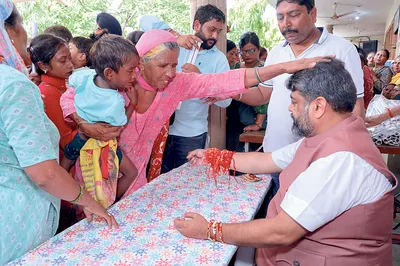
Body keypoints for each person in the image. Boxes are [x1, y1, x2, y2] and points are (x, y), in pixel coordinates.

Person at [175, 59, 396, 266]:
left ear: (318, 106)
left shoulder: (341, 160)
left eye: (295, 102)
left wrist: (208, 230)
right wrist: (214, 157)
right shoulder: (329, 136)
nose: (290, 109)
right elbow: (267, 160)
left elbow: (281, 232)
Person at [60, 28, 325, 196]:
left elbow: (224, 81)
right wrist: (84, 124)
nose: (171, 73)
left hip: (136, 175)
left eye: (174, 65)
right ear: (141, 63)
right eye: (164, 65)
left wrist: (284, 67)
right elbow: (69, 97)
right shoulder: (118, 80)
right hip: (95, 170)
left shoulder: (175, 85)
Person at [0, 1, 117, 264]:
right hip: (16, 218)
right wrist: (87, 201)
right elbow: (44, 173)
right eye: (20, 26)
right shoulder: (15, 86)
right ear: (8, 32)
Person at [233, 0, 365, 196]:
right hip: (275, 155)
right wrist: (228, 91)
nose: (286, 23)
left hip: (319, 160)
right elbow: (262, 94)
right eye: (280, 17)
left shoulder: (341, 49)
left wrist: (347, 154)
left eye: (293, 15)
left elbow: (356, 108)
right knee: (276, 211)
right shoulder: (277, 52)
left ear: (312, 14)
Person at [61, 35, 138, 206]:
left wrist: (81, 121)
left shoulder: (83, 76)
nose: (134, 76)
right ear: (109, 73)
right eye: (131, 71)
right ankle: (109, 203)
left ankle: (64, 196)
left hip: (80, 138)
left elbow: (68, 94)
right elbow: (120, 125)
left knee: (66, 161)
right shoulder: (116, 102)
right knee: (131, 172)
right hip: (103, 145)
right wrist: (132, 103)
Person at [162, 4, 234, 173]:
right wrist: (175, 36)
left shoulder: (219, 59)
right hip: (162, 130)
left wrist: (201, 79)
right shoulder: (176, 46)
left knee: (185, 184)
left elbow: (226, 101)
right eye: (211, 29)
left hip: (192, 135)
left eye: (219, 31)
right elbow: (146, 22)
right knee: (157, 181)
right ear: (196, 25)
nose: (215, 36)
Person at [30, 34, 76, 158]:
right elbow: (66, 142)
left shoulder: (65, 87)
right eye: (62, 61)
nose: (70, 65)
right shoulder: (47, 94)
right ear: (43, 66)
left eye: (70, 58)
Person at [226, 32, 268, 153]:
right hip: (233, 119)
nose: (247, 55)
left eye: (252, 51)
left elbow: (264, 99)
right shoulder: (234, 67)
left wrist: (258, 124)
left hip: (254, 120)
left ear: (259, 49)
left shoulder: (264, 69)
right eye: (243, 52)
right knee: (232, 154)